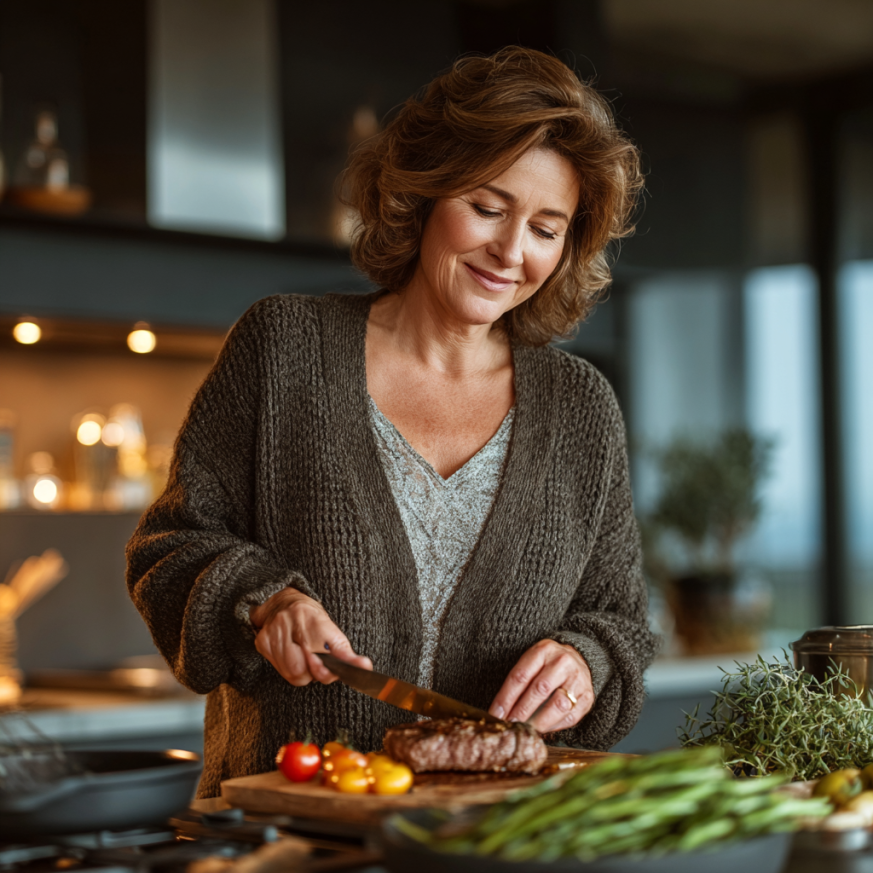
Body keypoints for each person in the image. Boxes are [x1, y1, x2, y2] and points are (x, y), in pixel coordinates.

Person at [126, 46, 658, 798]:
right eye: (487, 208)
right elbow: (168, 549)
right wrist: (264, 600)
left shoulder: (581, 409)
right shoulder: (283, 349)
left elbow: (621, 623)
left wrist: (586, 661)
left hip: (492, 837)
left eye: (546, 228)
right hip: (292, 829)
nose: (510, 251)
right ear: (424, 193)